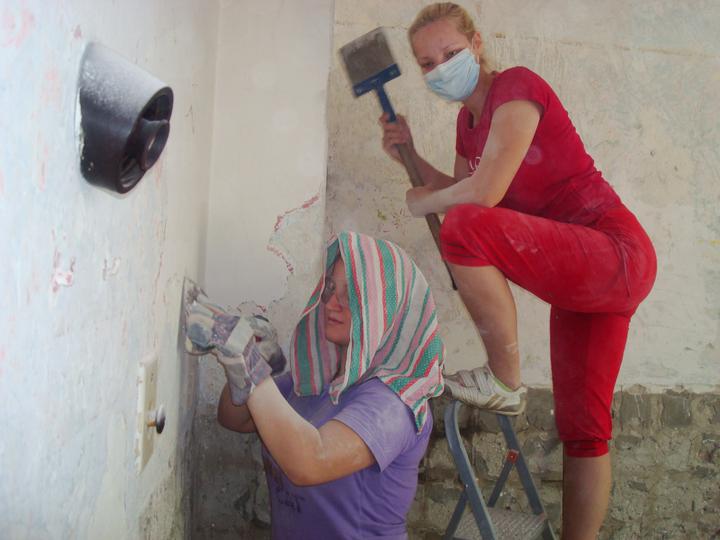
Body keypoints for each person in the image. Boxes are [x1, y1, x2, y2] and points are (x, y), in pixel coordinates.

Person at [378, 3, 657, 538]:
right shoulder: (466, 126)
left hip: (615, 252)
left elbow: (481, 195)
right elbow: (458, 193)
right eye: (427, 63)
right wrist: (408, 156)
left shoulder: (516, 89)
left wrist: (423, 202)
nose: (441, 68)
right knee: (584, 433)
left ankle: (504, 379)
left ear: (477, 44)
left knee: (465, 224)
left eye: (451, 53)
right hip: (583, 281)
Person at [185, 231, 444, 540]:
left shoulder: (394, 402)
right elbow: (234, 418)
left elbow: (310, 462)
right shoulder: (317, 380)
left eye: (351, 294)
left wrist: (250, 366)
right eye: (330, 288)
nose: (332, 303)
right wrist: (255, 362)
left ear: (386, 310)